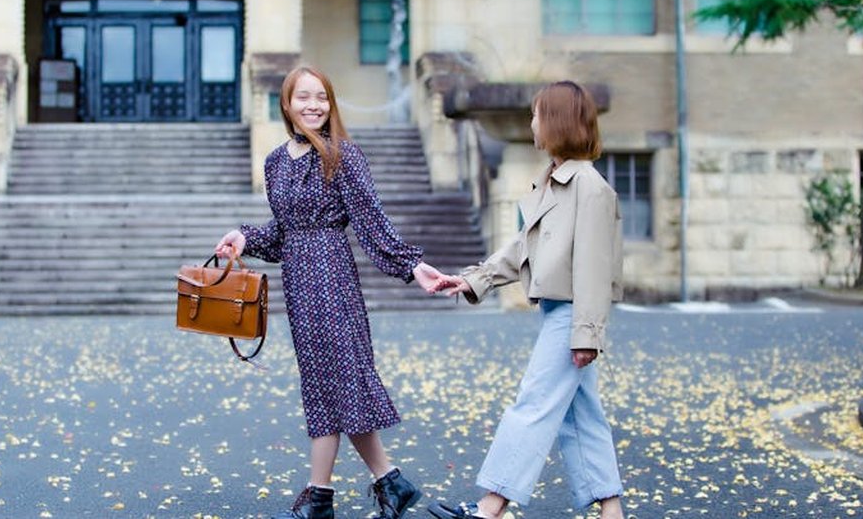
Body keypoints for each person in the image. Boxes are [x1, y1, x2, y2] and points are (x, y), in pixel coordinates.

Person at [214, 65, 443, 519]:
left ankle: (321, 496)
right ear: (287, 104)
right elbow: (282, 235)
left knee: (336, 382)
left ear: (331, 103)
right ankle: (389, 483)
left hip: (333, 279)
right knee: (327, 385)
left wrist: (411, 265)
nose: (314, 105)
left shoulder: (344, 156)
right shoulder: (276, 161)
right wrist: (244, 237)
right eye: (304, 97)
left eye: (322, 97)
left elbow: (371, 222)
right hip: (298, 285)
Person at [427, 81, 625, 519]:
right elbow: (523, 248)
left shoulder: (588, 187)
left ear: (555, 121)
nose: (531, 123)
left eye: (536, 115)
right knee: (582, 418)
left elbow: (594, 267)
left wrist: (585, 335)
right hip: (560, 312)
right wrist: (471, 280)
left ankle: (489, 509)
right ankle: (612, 511)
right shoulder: (554, 183)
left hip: (572, 316)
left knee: (531, 407)